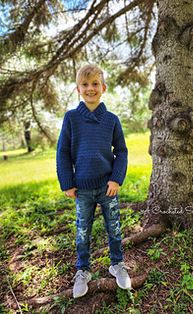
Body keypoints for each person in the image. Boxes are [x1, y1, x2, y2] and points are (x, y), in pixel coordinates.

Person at [56, 64, 131, 298]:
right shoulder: (71, 118)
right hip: (83, 189)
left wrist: (116, 179)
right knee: (82, 230)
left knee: (114, 227)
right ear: (78, 89)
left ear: (103, 88)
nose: (90, 88)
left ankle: (117, 264)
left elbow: (122, 151)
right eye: (85, 84)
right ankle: (82, 270)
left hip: (107, 187)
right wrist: (67, 182)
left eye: (95, 84)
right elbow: (63, 152)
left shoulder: (111, 120)